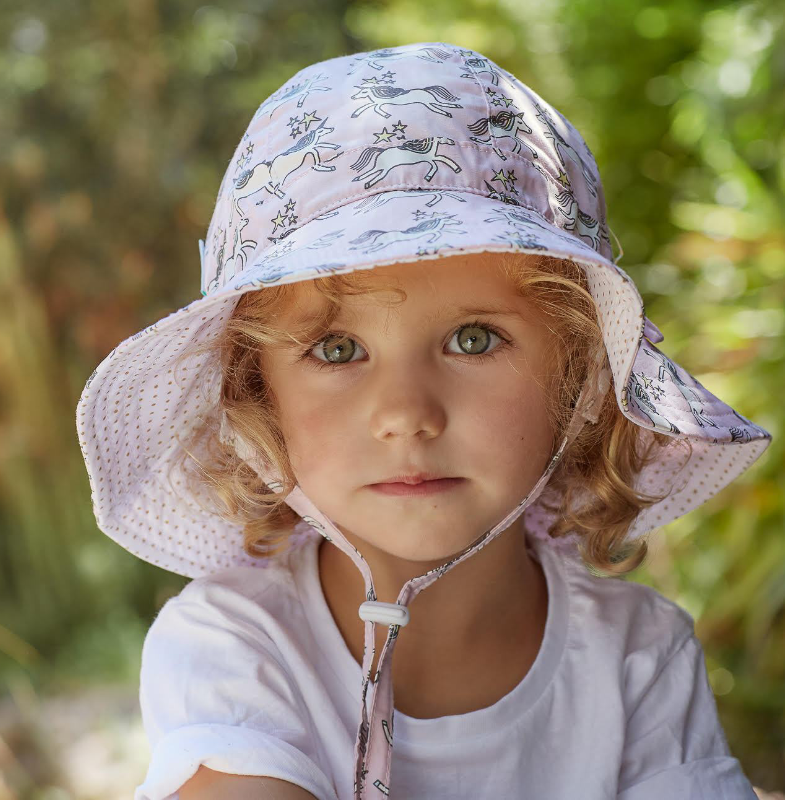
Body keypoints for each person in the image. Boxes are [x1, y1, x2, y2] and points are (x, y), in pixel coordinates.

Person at [75, 42, 772, 800]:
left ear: (578, 377)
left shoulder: (637, 656)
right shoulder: (237, 646)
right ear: (258, 394)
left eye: (473, 339)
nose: (406, 414)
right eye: (337, 349)